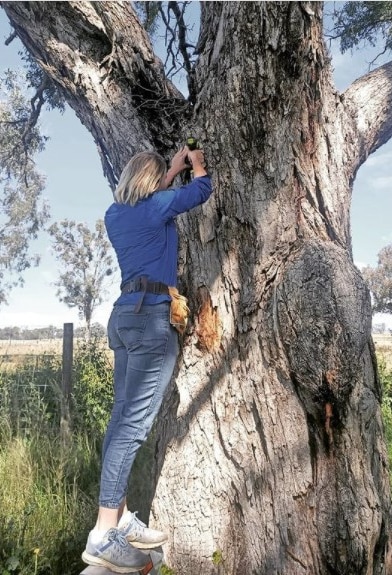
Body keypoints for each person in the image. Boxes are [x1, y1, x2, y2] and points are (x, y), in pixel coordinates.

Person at [82, 144, 212, 572]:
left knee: (120, 420)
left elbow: (153, 205)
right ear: (152, 181)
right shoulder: (158, 206)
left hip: (123, 318)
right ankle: (104, 535)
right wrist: (196, 165)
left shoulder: (115, 215)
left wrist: (169, 171)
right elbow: (202, 191)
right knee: (133, 428)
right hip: (152, 319)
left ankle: (118, 518)